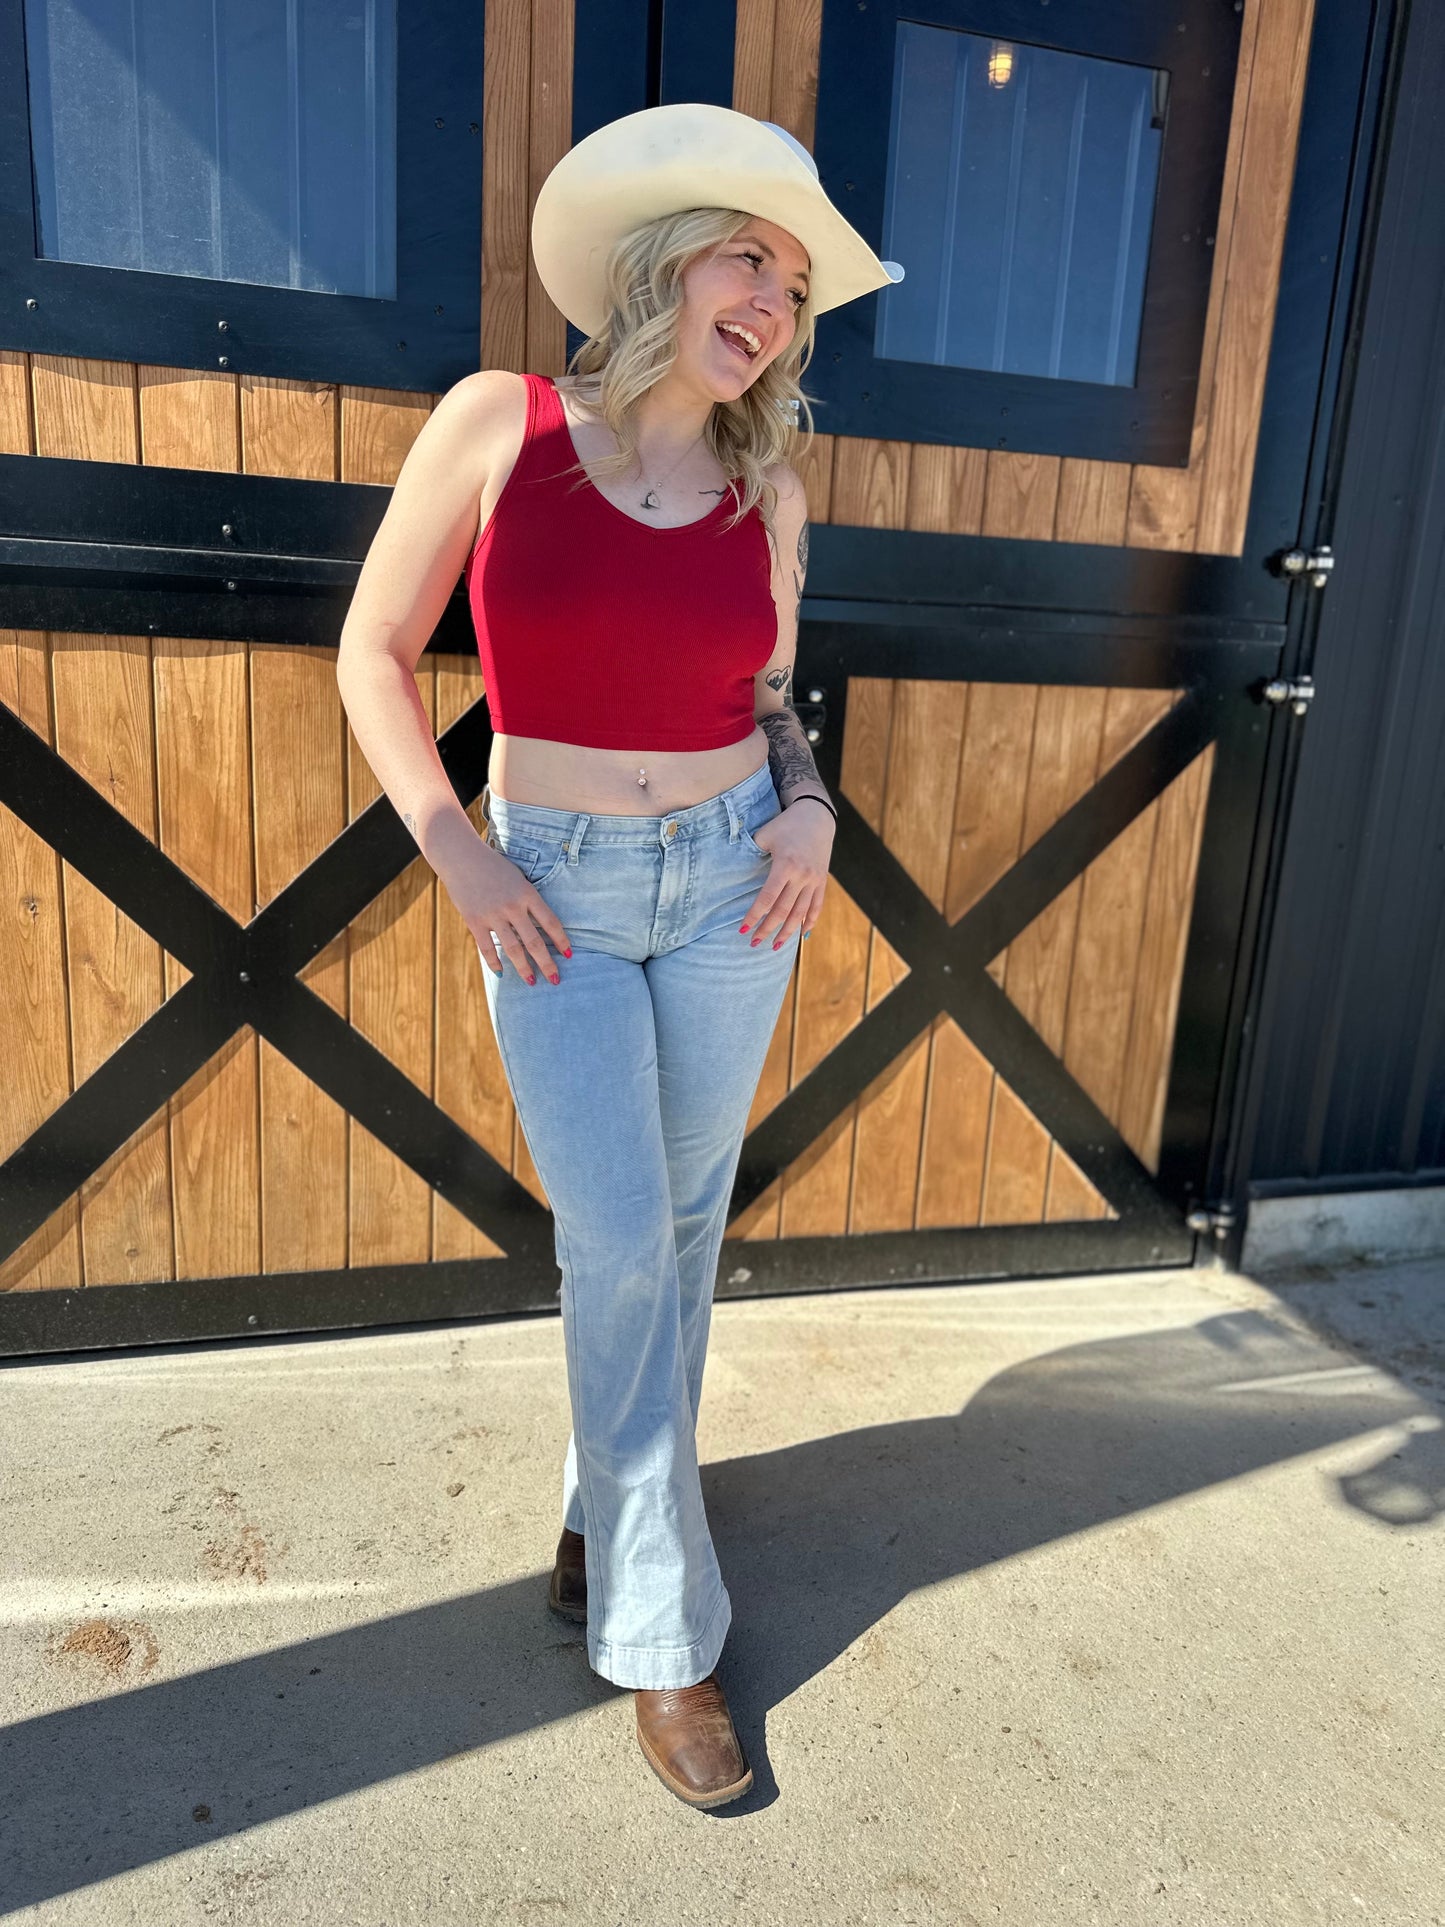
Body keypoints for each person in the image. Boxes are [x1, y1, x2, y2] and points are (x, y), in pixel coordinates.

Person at [337, 103, 905, 1809]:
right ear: (666, 262)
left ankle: (601, 1526)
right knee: (618, 1241)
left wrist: (807, 810)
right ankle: (663, 1638)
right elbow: (374, 655)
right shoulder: (497, 423)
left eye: (798, 289)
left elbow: (764, 705)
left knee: (675, 1226)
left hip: (736, 880)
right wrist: (459, 852)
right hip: (552, 884)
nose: (776, 304)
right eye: (755, 258)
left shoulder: (767, 489)